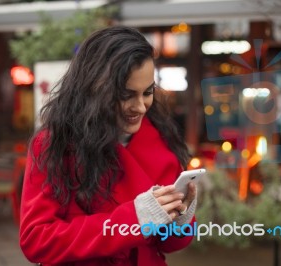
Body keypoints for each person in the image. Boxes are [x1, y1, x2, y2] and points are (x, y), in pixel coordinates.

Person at [20, 26, 197, 266]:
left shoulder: (162, 139)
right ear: (94, 87)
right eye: (126, 95)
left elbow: (166, 244)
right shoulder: (56, 143)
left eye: (147, 92)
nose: (141, 107)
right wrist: (132, 219)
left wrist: (180, 221)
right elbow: (36, 239)